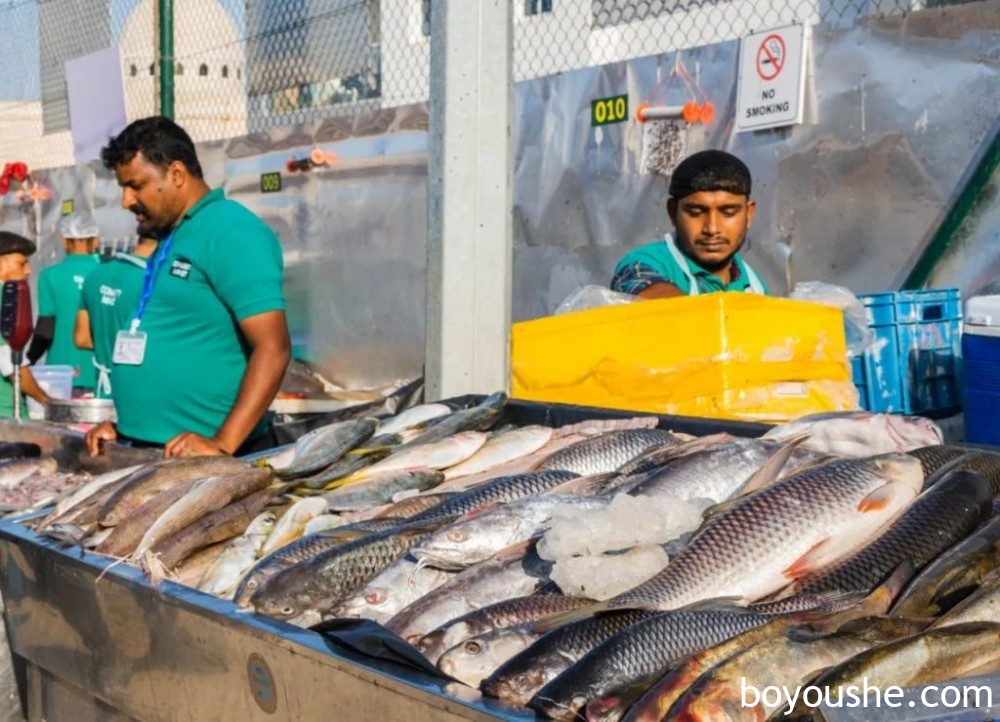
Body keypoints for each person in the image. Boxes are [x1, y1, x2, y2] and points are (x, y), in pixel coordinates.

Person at [86, 116, 291, 458]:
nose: (126, 200)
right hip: (156, 449)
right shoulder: (175, 237)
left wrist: (224, 442)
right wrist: (129, 428)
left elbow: (274, 347)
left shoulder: (230, 230)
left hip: (210, 460)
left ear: (177, 174)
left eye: (136, 185)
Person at [610, 149, 768, 298]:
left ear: (749, 214)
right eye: (696, 213)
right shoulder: (644, 263)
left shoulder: (755, 287)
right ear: (673, 212)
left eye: (728, 212)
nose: (712, 228)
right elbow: (647, 292)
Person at [74, 235, 158, 398]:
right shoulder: (157, 282)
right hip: (142, 396)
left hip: (104, 391)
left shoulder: (96, 273)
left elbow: (82, 339)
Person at [27, 213, 100, 392]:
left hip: (61, 374)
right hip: (101, 373)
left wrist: (29, 361)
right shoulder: (108, 273)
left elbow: (45, 329)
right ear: (96, 240)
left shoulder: (50, 275)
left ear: (64, 241)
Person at [0, 232, 52, 417]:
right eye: (21, 264)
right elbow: (10, 363)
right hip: (6, 413)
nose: (28, 271)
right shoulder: (4, 298)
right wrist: (46, 401)